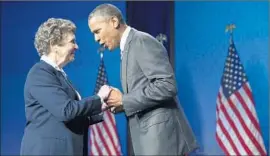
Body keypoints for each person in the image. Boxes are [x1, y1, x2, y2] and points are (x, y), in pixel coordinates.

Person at [88, 3, 199, 155]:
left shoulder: (141, 41)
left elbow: (167, 85)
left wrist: (124, 100)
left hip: (163, 139)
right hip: (149, 139)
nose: (96, 39)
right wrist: (121, 103)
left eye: (97, 31)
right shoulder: (128, 47)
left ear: (114, 22)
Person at [20, 18, 112, 156]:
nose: (76, 47)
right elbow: (66, 110)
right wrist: (98, 99)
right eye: (72, 42)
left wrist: (101, 107)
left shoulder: (59, 75)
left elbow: (68, 117)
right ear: (54, 45)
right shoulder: (40, 73)